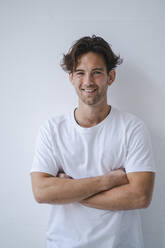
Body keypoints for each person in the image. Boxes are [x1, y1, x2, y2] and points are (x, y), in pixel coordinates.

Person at [30, 35, 155, 248]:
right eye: (80, 72)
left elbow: (140, 197)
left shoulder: (132, 128)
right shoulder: (52, 129)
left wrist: (68, 191)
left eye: (96, 72)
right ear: (71, 77)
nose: (88, 81)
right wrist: (108, 181)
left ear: (111, 76)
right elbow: (41, 193)